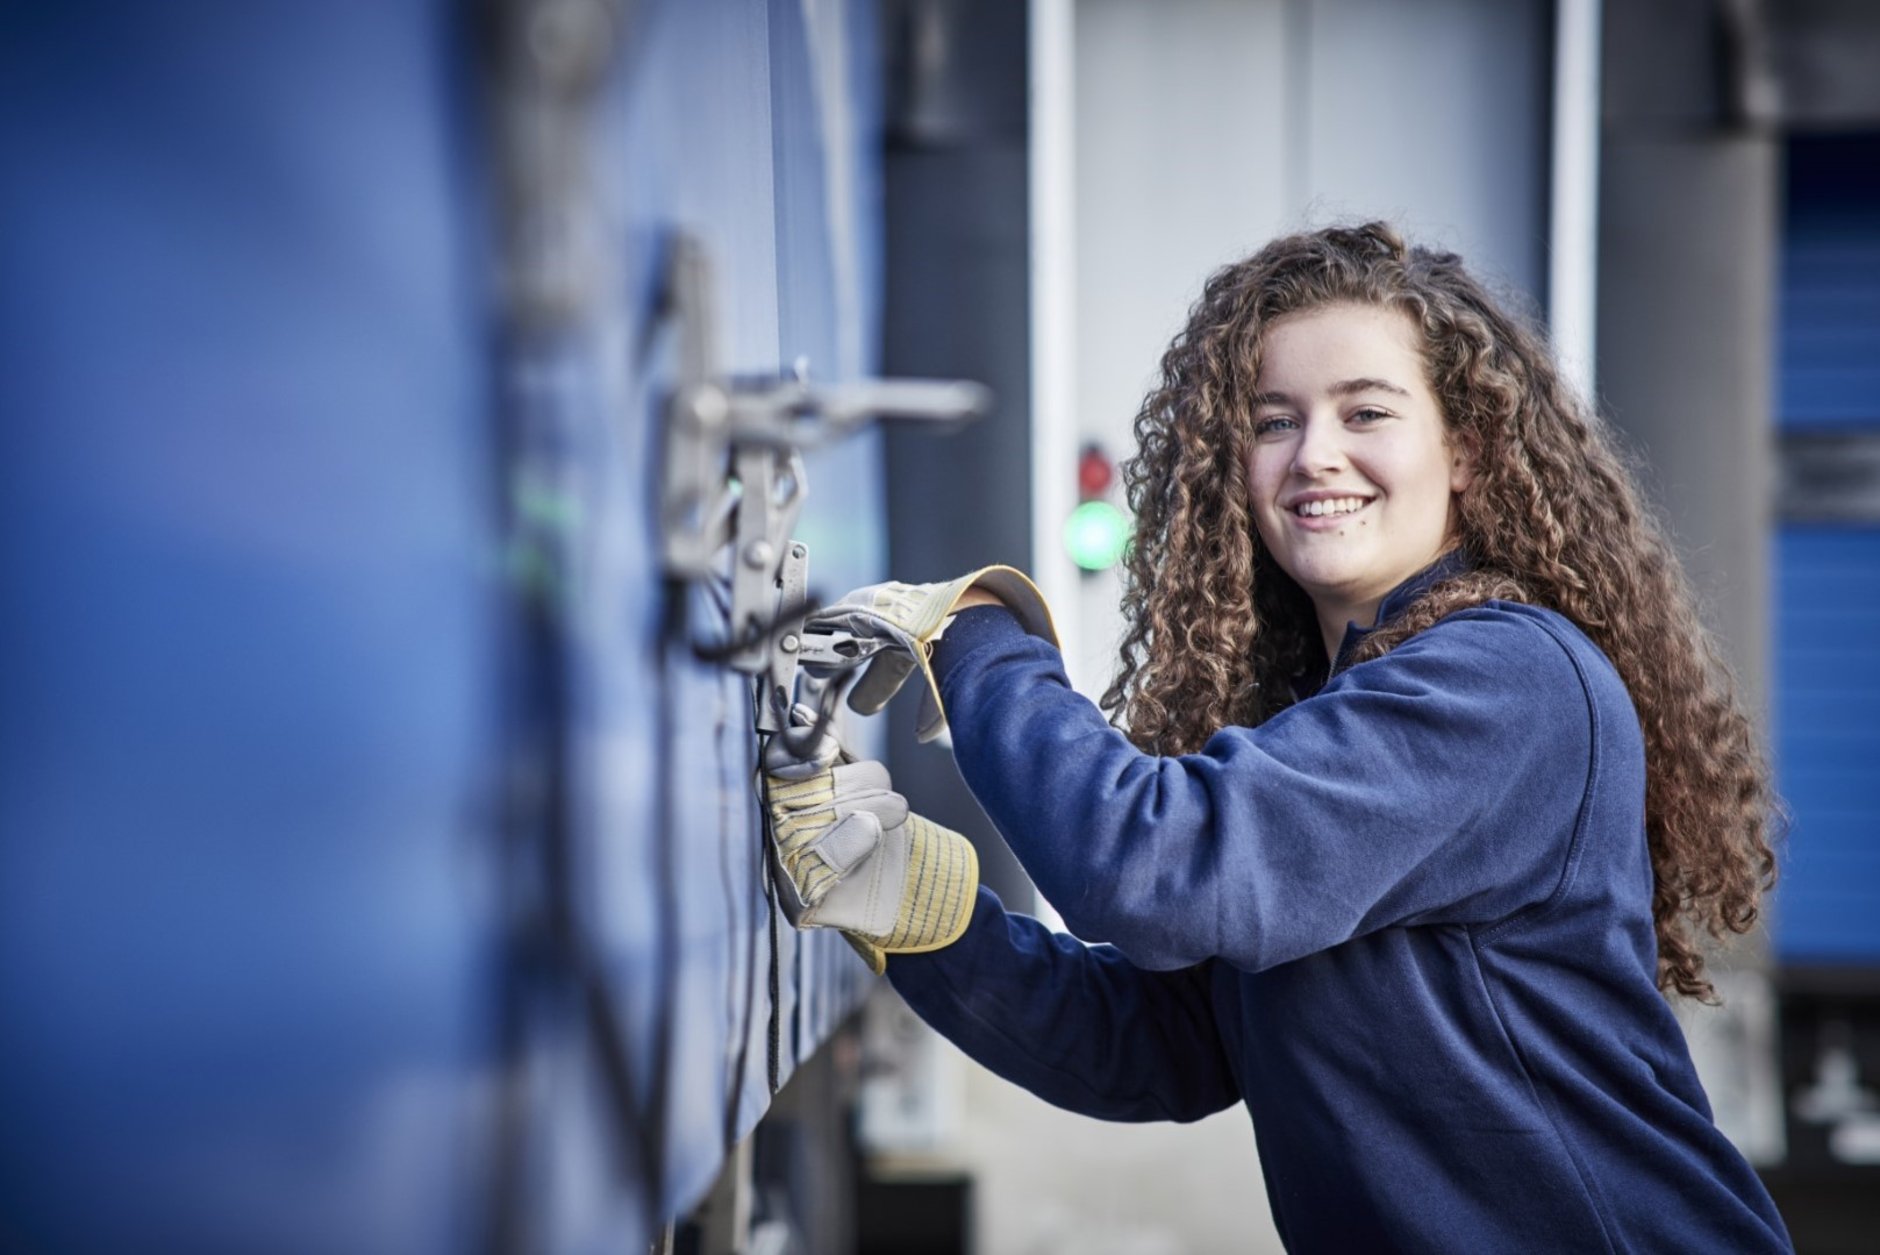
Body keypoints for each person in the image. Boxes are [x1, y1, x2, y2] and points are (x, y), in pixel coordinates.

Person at [765, 222, 1791, 1252]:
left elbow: (1153, 865)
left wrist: (976, 631)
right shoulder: (1332, 716)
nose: (1314, 455)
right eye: (1272, 421)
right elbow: (1155, 1050)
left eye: (1366, 411)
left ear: (1466, 449)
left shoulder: (1508, 684)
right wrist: (904, 898)